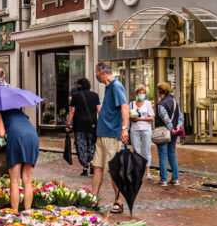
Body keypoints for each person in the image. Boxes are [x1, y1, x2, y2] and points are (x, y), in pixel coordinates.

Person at [92, 62, 130, 213]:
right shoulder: (109, 87)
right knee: (97, 168)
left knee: (113, 169)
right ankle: (93, 199)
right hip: (102, 133)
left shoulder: (116, 86)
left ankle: (118, 201)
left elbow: (125, 107)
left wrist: (124, 129)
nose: (96, 76)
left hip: (111, 134)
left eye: (96, 72)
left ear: (102, 72)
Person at [0, 106, 39, 212]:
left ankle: (14, 212)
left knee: (14, 181)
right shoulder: (19, 112)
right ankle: (27, 212)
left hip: (16, 137)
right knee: (27, 181)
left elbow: (1, 133)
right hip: (33, 137)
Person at [66, 78, 100, 177]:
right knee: (92, 144)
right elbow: (99, 110)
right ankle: (92, 164)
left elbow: (72, 111)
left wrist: (68, 124)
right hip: (92, 123)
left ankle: (85, 168)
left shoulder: (75, 96)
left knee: (81, 144)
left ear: (80, 85)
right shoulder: (95, 95)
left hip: (79, 124)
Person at [155, 81, 182, 187]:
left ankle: (163, 180)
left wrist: (171, 129)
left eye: (157, 90)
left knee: (162, 156)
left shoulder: (161, 104)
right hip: (173, 134)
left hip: (163, 133)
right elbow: (180, 117)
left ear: (159, 91)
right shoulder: (174, 102)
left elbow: (165, 119)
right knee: (172, 155)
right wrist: (177, 127)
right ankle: (175, 179)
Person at [129, 84, 155, 180]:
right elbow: (128, 116)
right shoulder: (131, 104)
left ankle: (147, 171)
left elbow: (151, 117)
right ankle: (137, 170)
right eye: (140, 93)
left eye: (143, 93)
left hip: (146, 129)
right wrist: (132, 118)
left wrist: (140, 119)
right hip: (134, 129)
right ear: (136, 94)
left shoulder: (147, 103)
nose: (141, 94)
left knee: (146, 150)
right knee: (136, 151)